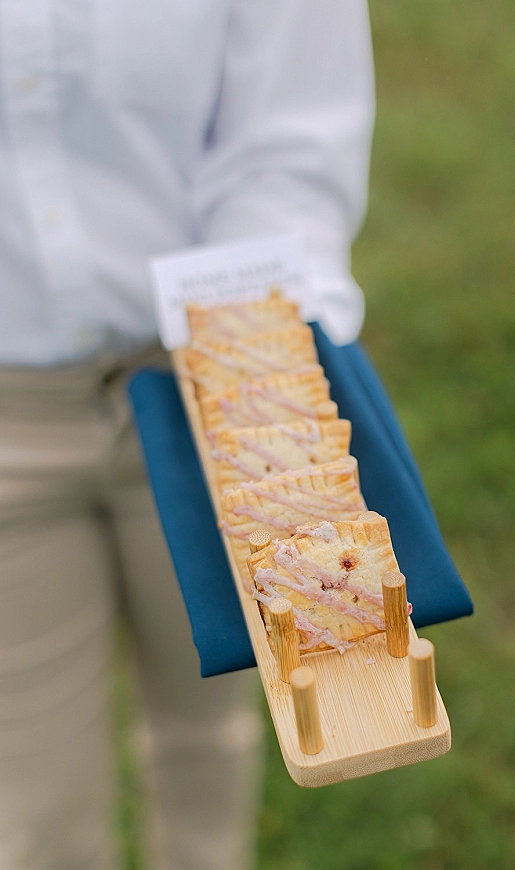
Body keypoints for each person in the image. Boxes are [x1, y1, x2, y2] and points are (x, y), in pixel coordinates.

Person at [0, 1, 375, 867]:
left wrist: (261, 380)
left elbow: (287, 146)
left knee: (210, 744)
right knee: (35, 822)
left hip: (208, 388)